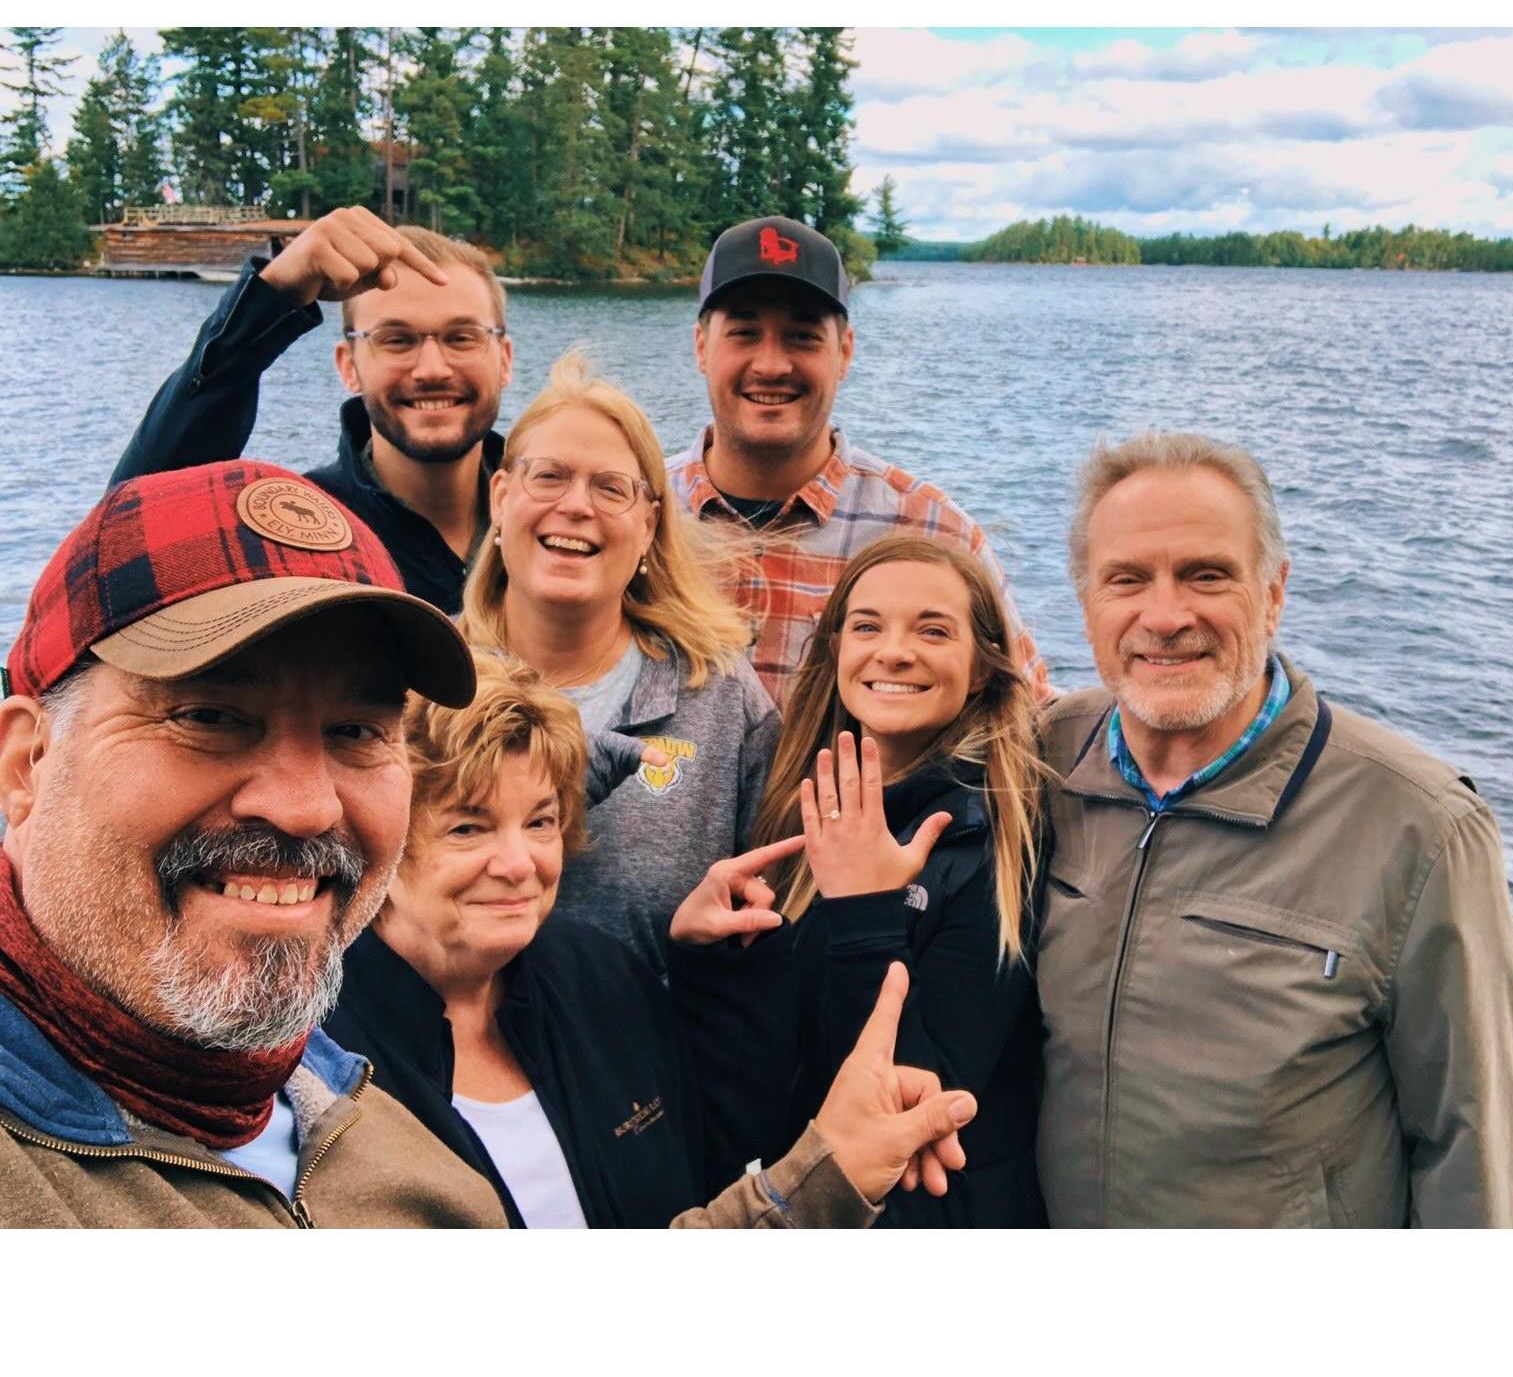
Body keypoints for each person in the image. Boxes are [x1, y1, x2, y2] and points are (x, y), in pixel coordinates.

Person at [0, 461, 982, 1228]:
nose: (304, 806)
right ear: (24, 765)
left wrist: (821, 1169)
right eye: (209, 716)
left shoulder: (354, 1124)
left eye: (354, 731)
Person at [1036, 431, 1513, 1228]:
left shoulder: (1423, 828)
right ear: (1087, 601)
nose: (1164, 616)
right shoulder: (1041, 760)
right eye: (1126, 579)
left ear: (1274, 593)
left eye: (1206, 575)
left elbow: (1473, 1153)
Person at [325, 651, 799, 1226]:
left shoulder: (602, 978)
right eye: (468, 827)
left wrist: (714, 971)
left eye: (540, 821)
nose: (519, 863)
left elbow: (712, 1164)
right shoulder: (316, 1062)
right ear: (381, 839)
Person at [670, 534, 1049, 1227]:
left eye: (933, 630)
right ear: (837, 651)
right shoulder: (811, 805)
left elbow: (911, 1112)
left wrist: (868, 913)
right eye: (867, 626)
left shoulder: (996, 840)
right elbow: (771, 1059)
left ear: (980, 670)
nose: (894, 651)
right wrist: (707, 954)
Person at [459, 354, 778, 975]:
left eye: (611, 488)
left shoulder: (717, 698)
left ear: (648, 524)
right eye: (549, 477)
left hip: (653, 1059)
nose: (577, 506)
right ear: (500, 497)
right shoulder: (425, 681)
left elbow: (771, 919)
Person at [665, 214, 1052, 708]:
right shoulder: (634, 514)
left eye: (803, 337)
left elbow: (1028, 715)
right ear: (701, 348)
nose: (771, 365)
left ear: (844, 353)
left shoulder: (932, 530)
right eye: (744, 333)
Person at [111, 206, 512, 614]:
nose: (432, 369)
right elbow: (125, 546)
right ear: (348, 365)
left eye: (462, 338)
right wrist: (270, 298)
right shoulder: (292, 539)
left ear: (505, 360)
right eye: (396, 340)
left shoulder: (552, 518)